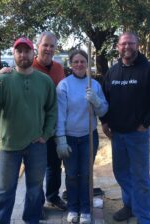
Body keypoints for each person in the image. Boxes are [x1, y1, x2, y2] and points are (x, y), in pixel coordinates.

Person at [0, 37, 57, 224]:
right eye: (19, 51)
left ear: (33, 53)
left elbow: (52, 110)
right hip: (10, 144)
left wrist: (46, 134)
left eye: (27, 51)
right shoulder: (4, 79)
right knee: (5, 190)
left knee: (34, 189)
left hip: (36, 145)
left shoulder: (45, 81)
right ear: (14, 54)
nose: (23, 54)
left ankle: (31, 220)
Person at [100, 32, 150, 224]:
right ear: (118, 47)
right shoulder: (112, 72)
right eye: (123, 43)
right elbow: (104, 99)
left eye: (130, 43)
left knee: (140, 177)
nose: (126, 46)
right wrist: (104, 121)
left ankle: (143, 216)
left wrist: (146, 123)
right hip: (117, 135)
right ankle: (130, 205)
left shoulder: (149, 71)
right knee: (120, 172)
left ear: (137, 45)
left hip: (137, 134)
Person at [0, 31, 67, 212]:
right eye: (45, 45)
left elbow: (59, 99)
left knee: (54, 164)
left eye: (52, 46)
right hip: (30, 130)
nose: (48, 49)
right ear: (37, 47)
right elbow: (14, 78)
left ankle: (52, 197)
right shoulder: (28, 64)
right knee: (35, 174)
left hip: (52, 126)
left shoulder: (59, 69)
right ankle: (37, 207)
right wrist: (2, 75)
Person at [55, 49, 108, 223]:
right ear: (71, 64)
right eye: (75, 61)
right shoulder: (64, 85)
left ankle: (85, 209)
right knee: (71, 174)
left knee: (86, 174)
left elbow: (103, 110)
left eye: (82, 61)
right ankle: (72, 207)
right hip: (69, 137)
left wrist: (97, 101)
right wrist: (60, 138)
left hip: (88, 137)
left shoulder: (95, 85)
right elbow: (60, 114)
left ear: (87, 64)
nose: (79, 64)